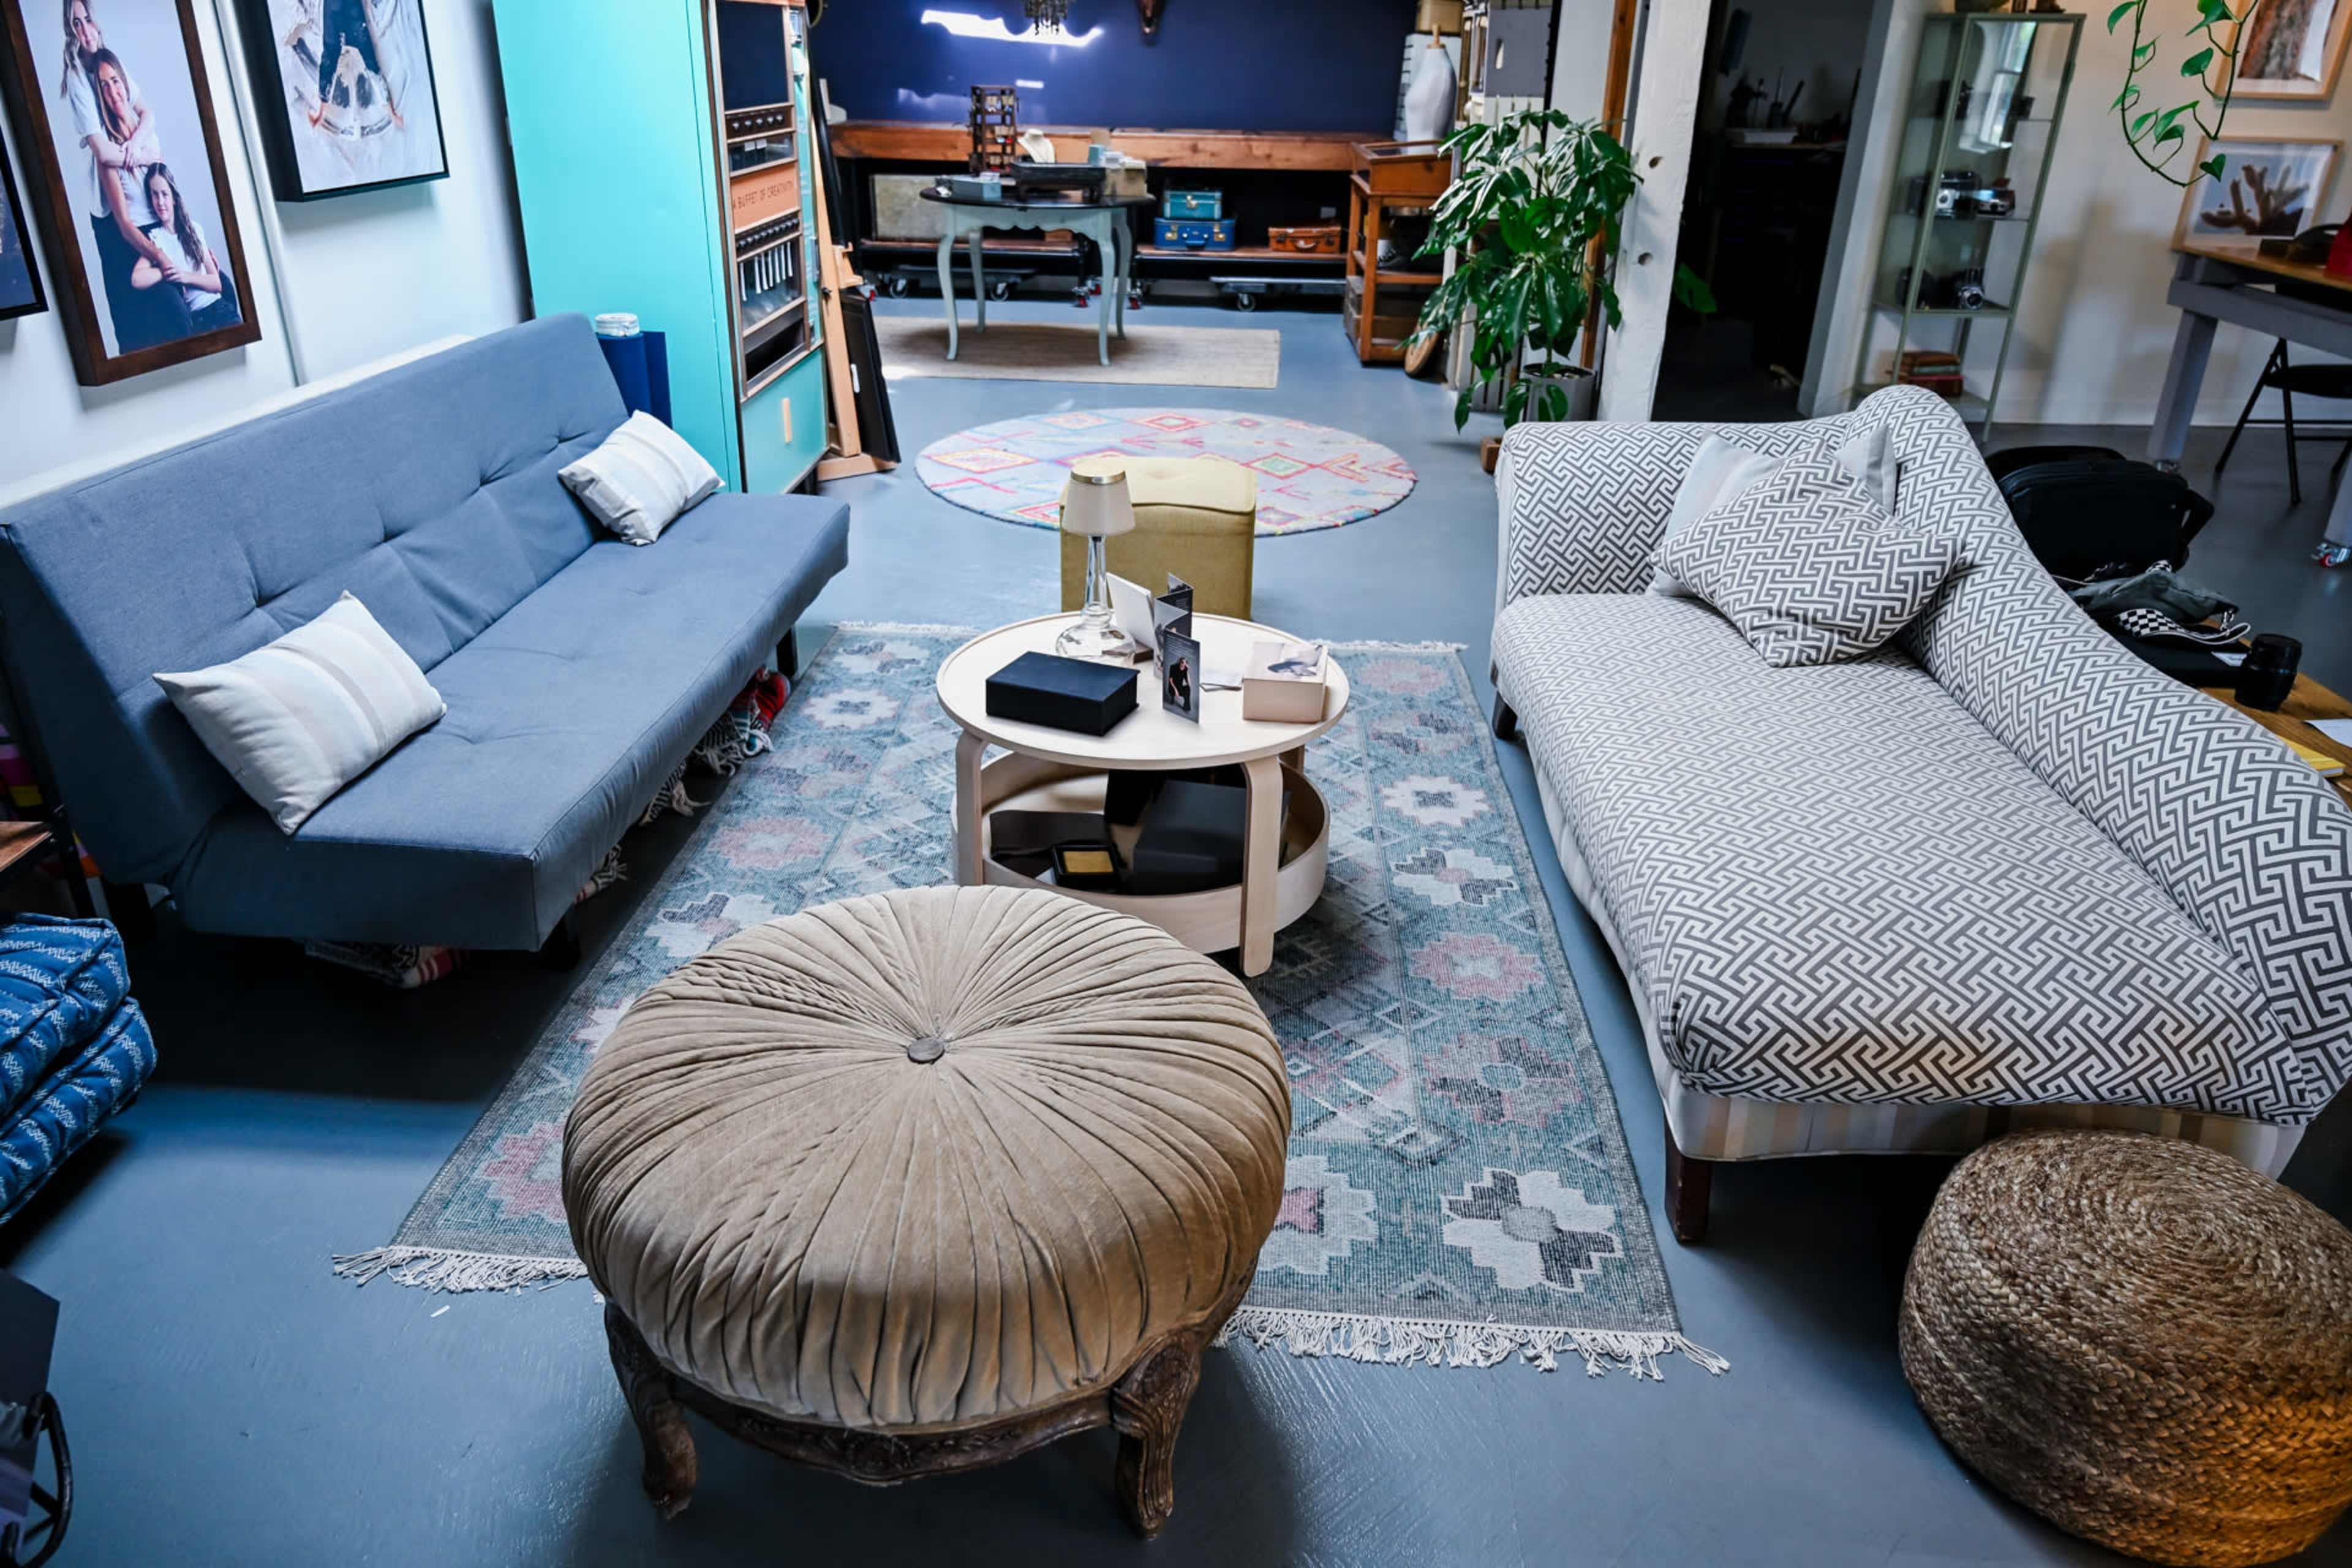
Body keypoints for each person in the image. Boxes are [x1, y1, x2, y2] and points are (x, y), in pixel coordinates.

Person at [80, 46, 187, 350]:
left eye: (115, 80)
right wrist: (161, 257)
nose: (112, 90)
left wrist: (195, 246)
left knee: (224, 290)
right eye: (104, 85)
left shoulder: (146, 133)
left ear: (125, 84)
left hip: (170, 230)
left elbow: (168, 190)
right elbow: (125, 225)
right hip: (143, 241)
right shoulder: (106, 153)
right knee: (174, 314)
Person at [130, 163, 237, 334]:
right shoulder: (155, 239)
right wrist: (165, 271)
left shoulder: (194, 229)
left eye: (165, 194)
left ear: (173, 197)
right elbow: (137, 279)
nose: (160, 202)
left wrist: (184, 277)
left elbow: (216, 284)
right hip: (198, 320)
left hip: (221, 310)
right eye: (154, 195)